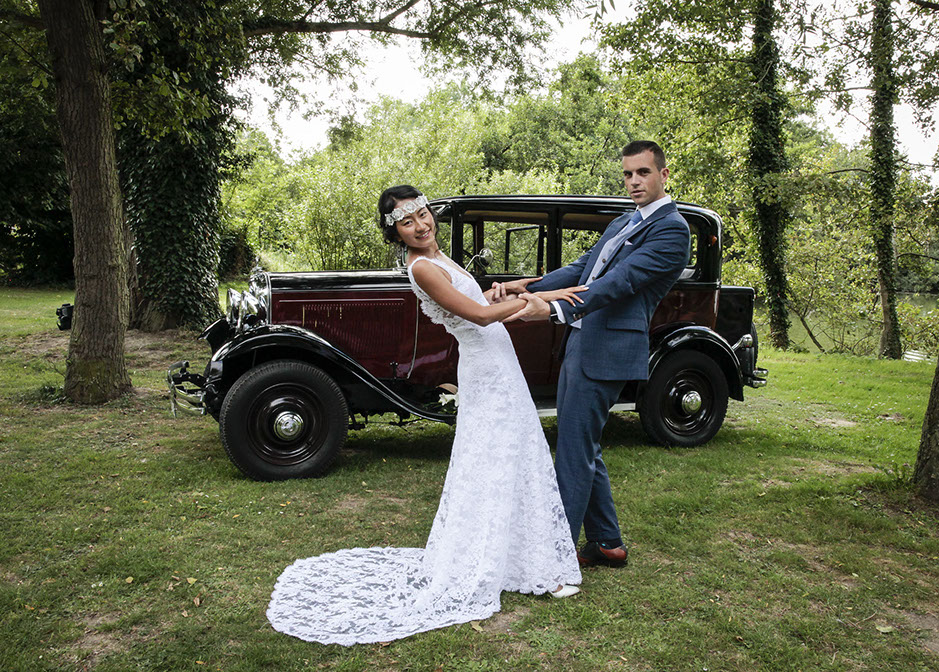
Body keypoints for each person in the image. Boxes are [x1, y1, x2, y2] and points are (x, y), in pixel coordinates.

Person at [266, 185, 586, 646]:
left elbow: (481, 298)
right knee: (494, 463)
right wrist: (536, 305)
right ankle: (516, 565)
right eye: (406, 221)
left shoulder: (444, 258)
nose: (420, 224)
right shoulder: (421, 267)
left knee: (517, 458)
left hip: (500, 366)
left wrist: (521, 288)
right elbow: (478, 316)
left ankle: (519, 559)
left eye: (422, 213)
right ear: (395, 232)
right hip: (486, 371)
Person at [499, 140, 691, 569]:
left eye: (643, 172)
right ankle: (607, 543)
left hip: (608, 349)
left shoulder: (672, 230)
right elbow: (583, 269)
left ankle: (558, 554)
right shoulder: (624, 222)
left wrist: (553, 307)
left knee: (572, 450)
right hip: (582, 344)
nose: (634, 181)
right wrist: (525, 287)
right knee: (583, 446)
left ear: (663, 174)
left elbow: (620, 282)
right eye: (627, 174)